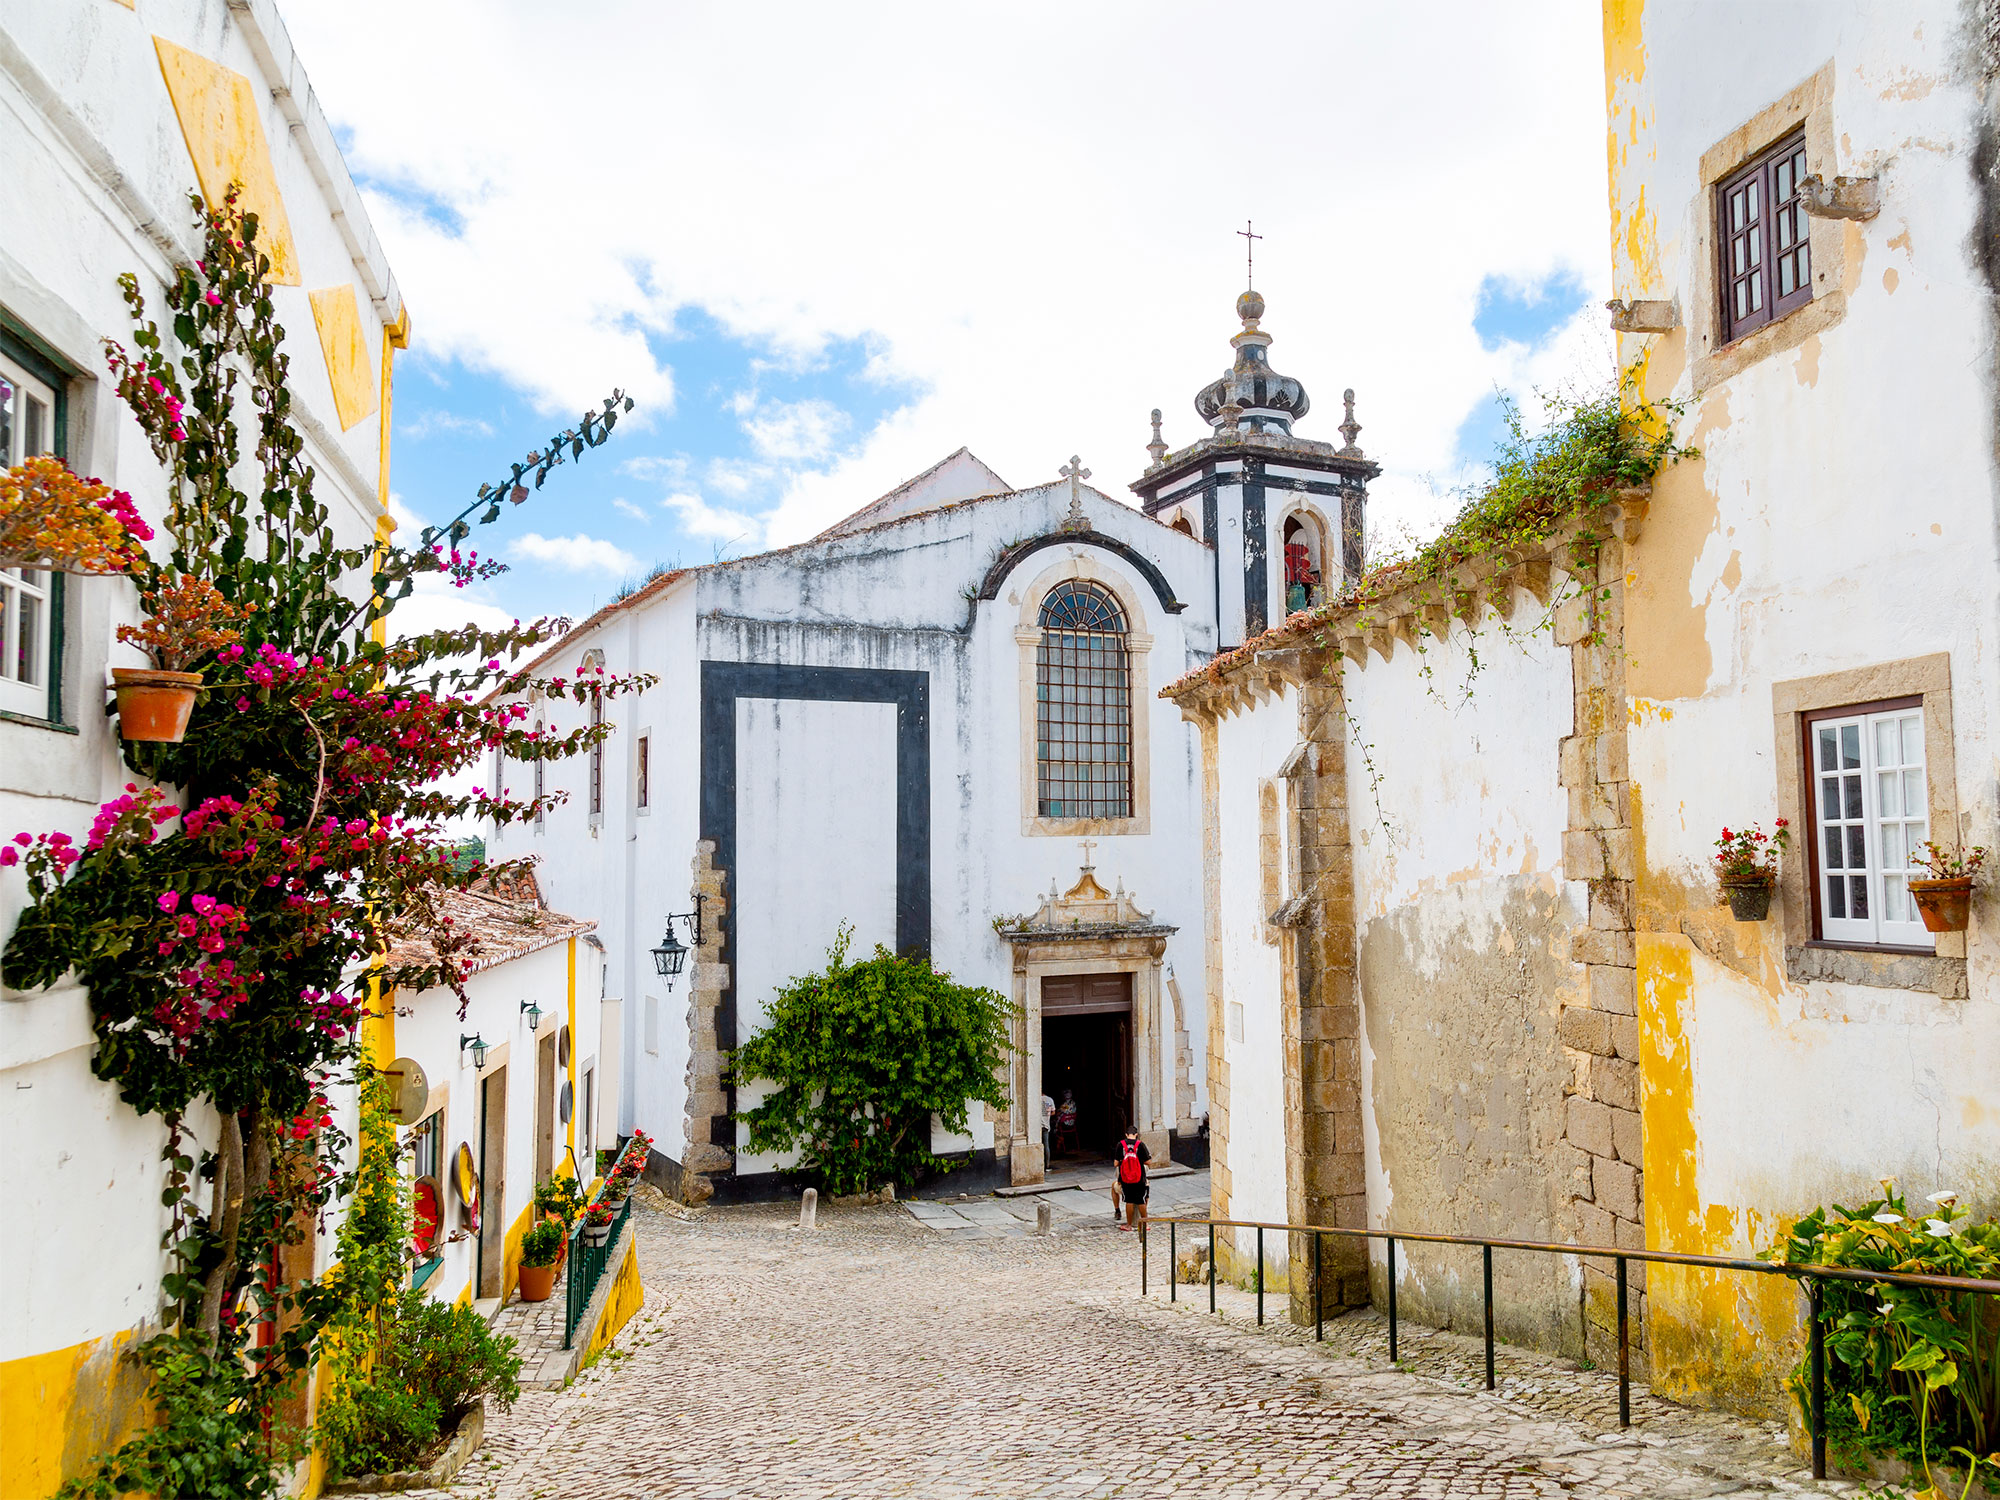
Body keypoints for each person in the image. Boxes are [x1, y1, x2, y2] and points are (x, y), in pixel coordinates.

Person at [1115, 1125, 1150, 1231]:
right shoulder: (1141, 1145)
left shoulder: (1120, 1145)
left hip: (1125, 1178)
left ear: (1126, 1134)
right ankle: (1145, 1225)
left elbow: (1116, 1163)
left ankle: (1129, 1225)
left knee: (1129, 1200)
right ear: (1136, 1135)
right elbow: (1148, 1162)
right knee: (1141, 1201)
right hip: (1139, 1178)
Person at [1040, 1091, 1056, 1159]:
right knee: (1046, 1146)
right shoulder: (1049, 1100)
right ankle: (1047, 1165)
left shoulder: (1037, 1099)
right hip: (1046, 1125)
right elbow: (1053, 1112)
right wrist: (1047, 1115)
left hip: (1037, 1125)